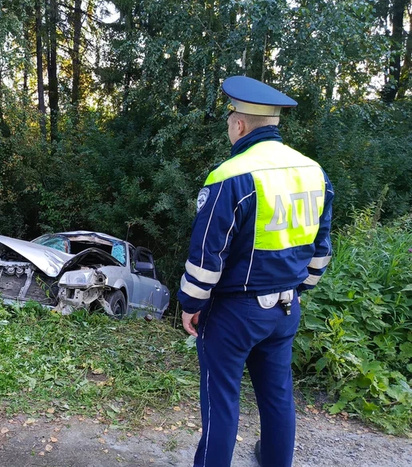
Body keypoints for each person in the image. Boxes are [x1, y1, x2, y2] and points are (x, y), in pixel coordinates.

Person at [177, 76, 334, 467]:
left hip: (235, 313)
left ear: (240, 125)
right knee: (278, 398)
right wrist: (301, 287)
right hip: (285, 309)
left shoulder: (230, 175)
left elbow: (207, 255)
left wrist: (190, 303)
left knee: (221, 402)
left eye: (231, 119)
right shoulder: (314, 172)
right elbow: (321, 249)